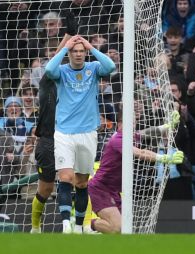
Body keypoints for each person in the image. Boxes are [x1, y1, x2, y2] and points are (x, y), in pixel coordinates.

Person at [45, 34, 116, 234]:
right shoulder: (61, 71)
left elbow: (110, 67)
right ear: (69, 54)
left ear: (85, 53)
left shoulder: (93, 69)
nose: (78, 54)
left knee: (82, 182)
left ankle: (78, 226)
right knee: (66, 177)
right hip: (64, 133)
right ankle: (66, 223)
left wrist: (91, 48)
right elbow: (48, 70)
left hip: (87, 133)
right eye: (74, 51)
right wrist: (65, 47)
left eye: (80, 51)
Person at [88, 111, 184, 233]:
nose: (133, 125)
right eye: (130, 122)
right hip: (100, 188)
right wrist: (165, 158)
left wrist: (167, 126)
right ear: (120, 124)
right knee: (118, 228)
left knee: (124, 230)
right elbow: (140, 153)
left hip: (114, 191)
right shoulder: (118, 140)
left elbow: (147, 132)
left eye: (134, 122)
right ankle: (89, 226)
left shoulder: (131, 136)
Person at [30, 12, 78, 234]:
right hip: (48, 141)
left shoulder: (73, 82)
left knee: (72, 182)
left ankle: (72, 226)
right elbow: (54, 61)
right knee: (46, 188)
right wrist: (68, 36)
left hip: (69, 138)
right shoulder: (47, 81)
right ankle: (35, 226)